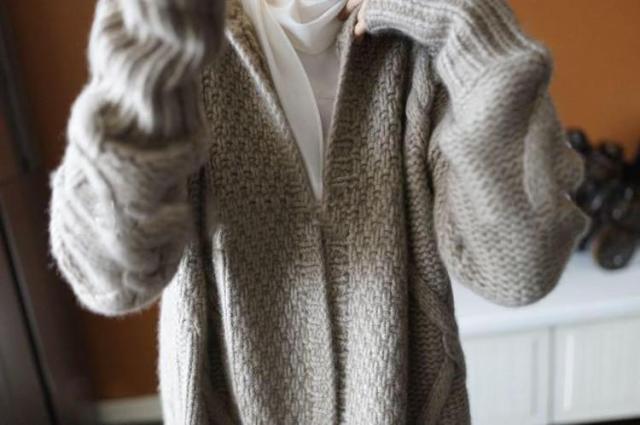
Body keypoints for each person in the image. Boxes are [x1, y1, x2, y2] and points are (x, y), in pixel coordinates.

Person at [48, 0, 589, 423]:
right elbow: (107, 279)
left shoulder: (423, 36)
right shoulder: (177, 32)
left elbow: (517, 271)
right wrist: (144, 70)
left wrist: (472, 28)